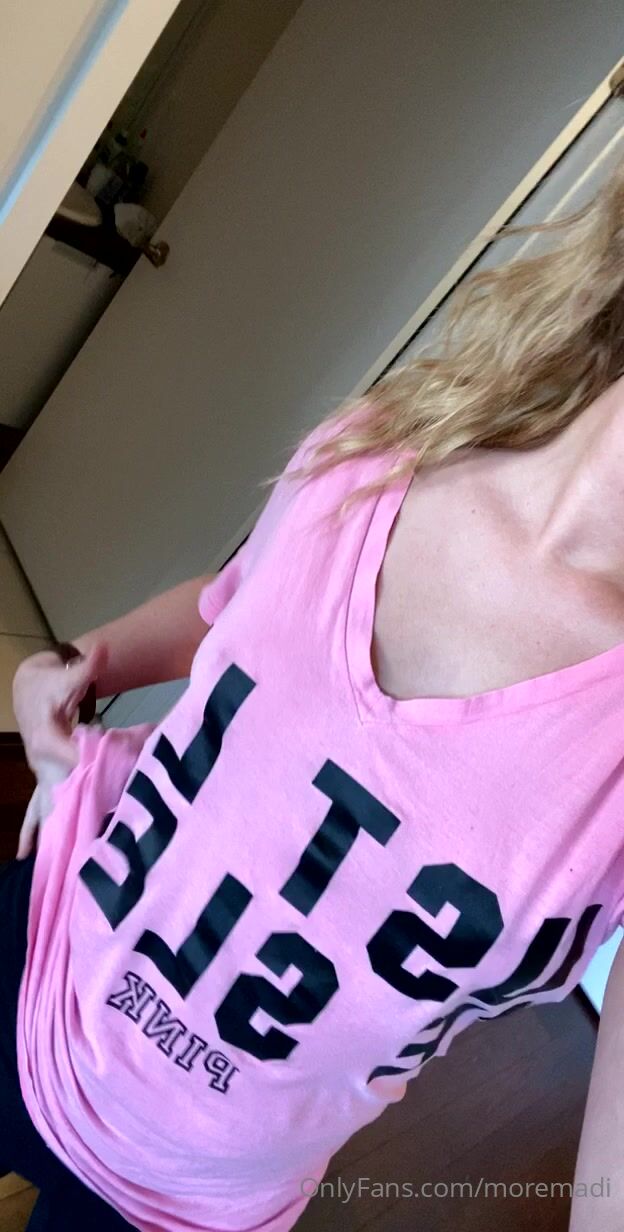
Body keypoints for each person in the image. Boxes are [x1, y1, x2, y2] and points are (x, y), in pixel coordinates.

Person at [5, 159, 624, 1232]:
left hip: (183, 1201)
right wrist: (80, 662)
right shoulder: (382, 448)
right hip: (34, 959)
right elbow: (234, 611)